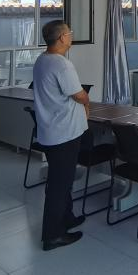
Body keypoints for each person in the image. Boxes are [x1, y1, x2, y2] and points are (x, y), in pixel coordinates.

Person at [33, 20, 91, 251]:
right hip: (64, 133)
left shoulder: (42, 60)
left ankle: (67, 218)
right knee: (59, 184)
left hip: (51, 131)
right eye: (69, 33)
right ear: (61, 38)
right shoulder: (62, 65)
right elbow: (78, 94)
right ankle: (52, 235)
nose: (71, 36)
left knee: (62, 180)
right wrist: (86, 101)